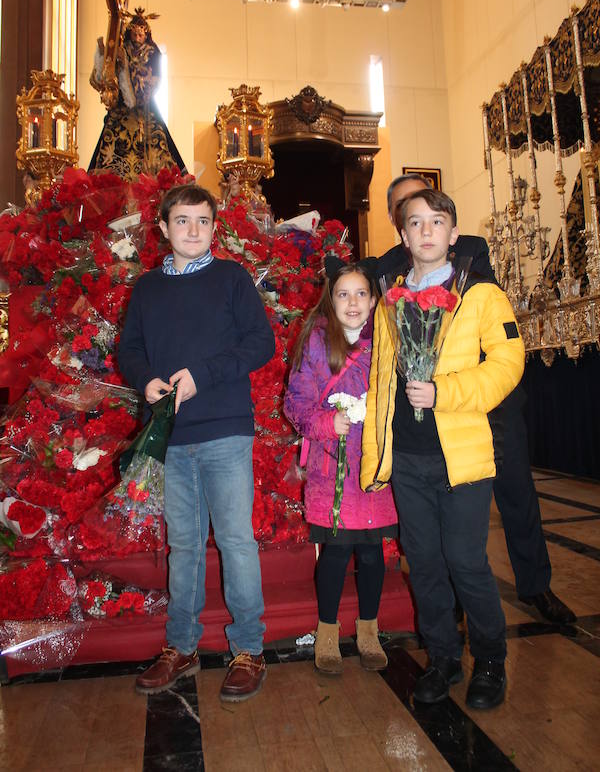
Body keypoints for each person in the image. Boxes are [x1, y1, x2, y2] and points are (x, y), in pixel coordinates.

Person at [377, 173, 576, 626]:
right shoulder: (389, 268)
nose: (424, 223)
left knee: (518, 496)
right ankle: (455, 610)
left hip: (490, 404)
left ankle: (536, 585)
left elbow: (490, 325)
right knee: (441, 534)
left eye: (433, 212)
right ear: (397, 220)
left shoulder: (469, 251)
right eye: (409, 209)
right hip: (428, 419)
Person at [362, 188, 525, 709]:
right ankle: (444, 658)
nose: (427, 230)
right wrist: (376, 452)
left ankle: (492, 661)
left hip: (462, 457)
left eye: (437, 222)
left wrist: (444, 392)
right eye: (416, 222)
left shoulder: (481, 295)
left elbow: (506, 365)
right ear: (403, 234)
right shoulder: (389, 301)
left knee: (466, 562)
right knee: (426, 564)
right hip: (408, 459)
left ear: (454, 236)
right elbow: (380, 379)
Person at [118, 183, 275, 701]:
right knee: (183, 544)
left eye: (202, 221)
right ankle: (181, 646)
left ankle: (248, 649)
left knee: (235, 541)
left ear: (214, 227)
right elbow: (131, 348)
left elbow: (261, 342)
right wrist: (146, 381)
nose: (192, 230)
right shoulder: (147, 288)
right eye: (182, 221)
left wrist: (201, 376)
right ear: (163, 227)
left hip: (225, 428)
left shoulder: (231, 278)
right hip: (171, 436)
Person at [284, 258, 398, 675]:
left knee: (372, 554)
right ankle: (328, 631)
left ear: (373, 300)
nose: (353, 303)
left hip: (372, 465)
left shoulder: (386, 339)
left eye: (361, 294)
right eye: (343, 294)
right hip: (331, 467)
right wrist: (327, 423)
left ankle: (368, 629)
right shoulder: (316, 342)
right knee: (335, 553)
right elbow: (295, 405)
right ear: (330, 299)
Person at [89, 7, 186, 179]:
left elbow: (150, 81)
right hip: (120, 112)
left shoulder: (152, 53)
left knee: (157, 157)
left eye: (141, 35)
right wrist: (105, 58)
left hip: (145, 114)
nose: (137, 38)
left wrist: (127, 68)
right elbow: (107, 80)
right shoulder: (122, 48)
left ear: (146, 35)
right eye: (134, 34)